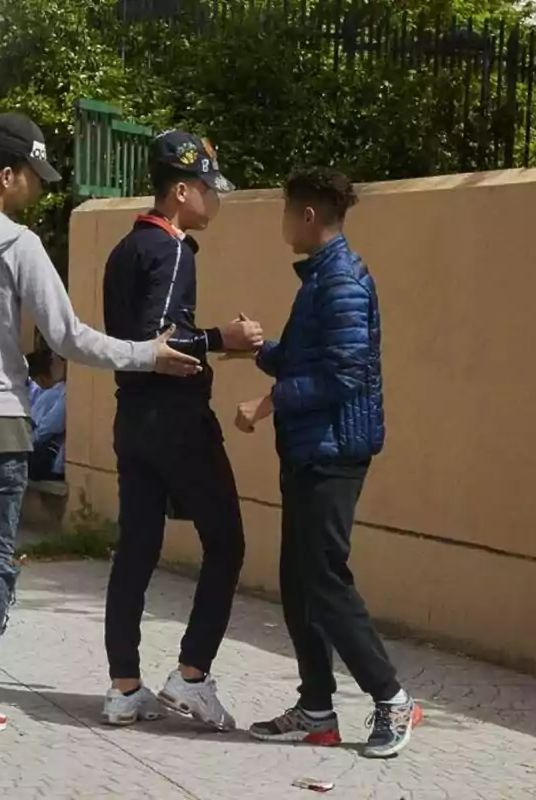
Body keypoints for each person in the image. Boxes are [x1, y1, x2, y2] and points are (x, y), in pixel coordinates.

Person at [0, 111, 201, 740]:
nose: (38, 188)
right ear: (5, 175)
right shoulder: (20, 245)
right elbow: (68, 337)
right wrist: (147, 354)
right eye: (33, 176)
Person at [236, 167, 420, 759]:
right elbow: (301, 357)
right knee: (298, 582)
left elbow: (344, 374)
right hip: (310, 449)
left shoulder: (340, 280)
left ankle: (392, 699)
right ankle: (316, 710)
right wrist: (253, 347)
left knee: (324, 579)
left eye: (287, 210)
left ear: (308, 215)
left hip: (335, 451)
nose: (283, 222)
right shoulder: (320, 278)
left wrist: (266, 403)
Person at [99, 130, 263, 730]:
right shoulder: (173, 250)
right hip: (176, 419)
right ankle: (191, 676)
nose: (214, 201)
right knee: (226, 543)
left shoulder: (125, 249)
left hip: (132, 420)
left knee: (136, 550)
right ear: (180, 191)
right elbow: (157, 340)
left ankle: (124, 688)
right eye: (207, 190)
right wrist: (226, 339)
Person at [25, 349, 67, 481]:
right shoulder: (58, 390)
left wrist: (30, 441)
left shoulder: (63, 391)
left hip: (53, 460)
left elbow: (50, 426)